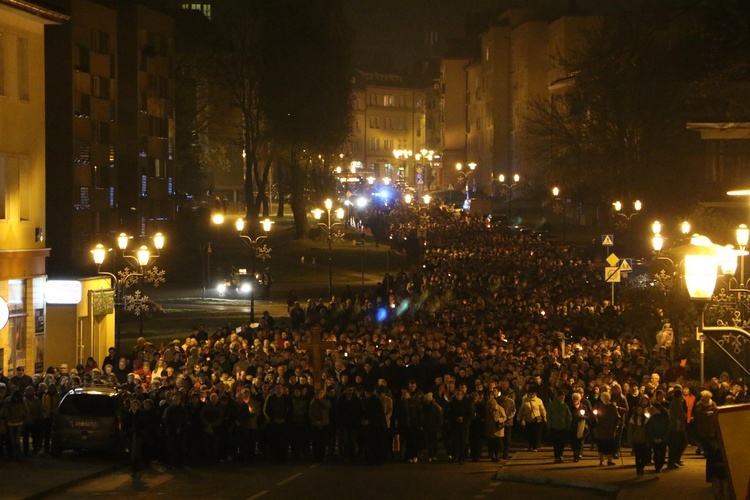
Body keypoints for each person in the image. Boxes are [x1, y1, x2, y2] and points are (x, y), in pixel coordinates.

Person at [594, 391, 619, 466]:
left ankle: (609, 460)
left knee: (609, 445)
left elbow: (616, 417)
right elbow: (594, 415)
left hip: (609, 428)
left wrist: (616, 425)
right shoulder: (598, 406)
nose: (605, 400)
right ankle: (601, 461)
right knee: (601, 445)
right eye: (604, 398)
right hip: (600, 429)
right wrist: (595, 417)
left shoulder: (612, 407)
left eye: (607, 398)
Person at [547, 390, 572, 463]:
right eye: (561, 397)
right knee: (556, 443)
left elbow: (569, 416)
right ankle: (557, 456)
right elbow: (549, 416)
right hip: (554, 427)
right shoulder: (552, 405)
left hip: (563, 427)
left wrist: (568, 425)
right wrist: (549, 425)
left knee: (561, 443)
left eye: (563, 397)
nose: (562, 398)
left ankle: (560, 455)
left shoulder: (565, 405)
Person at [518, 387, 546, 452]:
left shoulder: (539, 401)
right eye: (530, 394)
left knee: (536, 434)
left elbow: (542, 409)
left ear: (535, 394)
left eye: (533, 394)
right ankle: (530, 445)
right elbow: (522, 410)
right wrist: (519, 417)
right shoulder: (525, 401)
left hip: (536, 420)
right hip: (528, 419)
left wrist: (545, 417)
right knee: (529, 434)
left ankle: (535, 447)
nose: (531, 395)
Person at [667, 384, 688, 469]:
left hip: (677, 427)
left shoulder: (675, 403)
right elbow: (681, 416)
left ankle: (675, 459)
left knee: (679, 443)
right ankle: (672, 461)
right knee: (676, 444)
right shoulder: (677, 404)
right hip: (676, 427)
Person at [693, 390, 717, 456]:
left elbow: (716, 410)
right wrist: (706, 413)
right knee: (704, 438)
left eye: (708, 397)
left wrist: (713, 413)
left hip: (711, 424)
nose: (707, 398)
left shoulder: (712, 403)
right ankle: (705, 451)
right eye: (705, 397)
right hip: (703, 424)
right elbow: (698, 413)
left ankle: (710, 451)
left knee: (710, 438)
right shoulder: (699, 404)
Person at [484, 396, 506, 462]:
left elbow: (504, 417)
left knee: (499, 444)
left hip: (498, 429)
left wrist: (499, 420)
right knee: (491, 444)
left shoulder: (500, 408)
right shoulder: (487, 410)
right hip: (490, 429)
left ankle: (498, 455)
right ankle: (493, 456)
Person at [630, 405, 650, 478]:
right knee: (637, 457)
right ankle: (638, 471)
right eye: (638, 409)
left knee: (644, 457)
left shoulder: (646, 419)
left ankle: (641, 467)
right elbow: (630, 431)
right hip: (636, 440)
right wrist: (630, 440)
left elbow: (648, 431)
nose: (640, 411)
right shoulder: (633, 419)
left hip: (644, 440)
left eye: (641, 410)